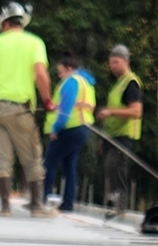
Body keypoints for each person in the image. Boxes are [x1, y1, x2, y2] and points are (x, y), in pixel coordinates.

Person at [0, 1, 55, 217]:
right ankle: (36, 206)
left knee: (2, 159)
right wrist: (48, 100)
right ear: (21, 22)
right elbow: (41, 75)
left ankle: (5, 207)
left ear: (4, 23)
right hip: (20, 109)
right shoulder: (34, 43)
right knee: (32, 159)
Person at [43, 51, 96, 212]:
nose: (59, 76)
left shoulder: (71, 82)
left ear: (69, 68)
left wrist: (56, 128)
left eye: (60, 72)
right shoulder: (86, 83)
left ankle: (42, 198)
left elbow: (66, 108)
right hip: (83, 128)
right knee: (69, 165)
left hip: (69, 128)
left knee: (50, 162)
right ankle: (68, 202)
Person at [95, 44, 143, 218]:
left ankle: (120, 206)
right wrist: (104, 138)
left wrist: (110, 112)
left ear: (125, 61)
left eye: (116, 62)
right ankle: (114, 204)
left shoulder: (130, 83)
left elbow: (136, 111)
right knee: (109, 169)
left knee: (118, 170)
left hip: (124, 135)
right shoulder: (117, 85)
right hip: (112, 135)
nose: (112, 66)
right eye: (111, 63)